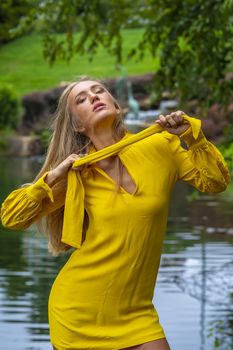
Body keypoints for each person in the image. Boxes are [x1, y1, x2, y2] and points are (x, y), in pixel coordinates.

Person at [0, 77, 230, 350]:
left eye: (99, 92)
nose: (94, 97)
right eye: (82, 99)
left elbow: (215, 181)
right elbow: (12, 218)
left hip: (137, 312)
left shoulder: (160, 146)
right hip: (79, 311)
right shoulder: (77, 173)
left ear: (116, 106)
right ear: (77, 125)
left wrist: (192, 137)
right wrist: (52, 179)